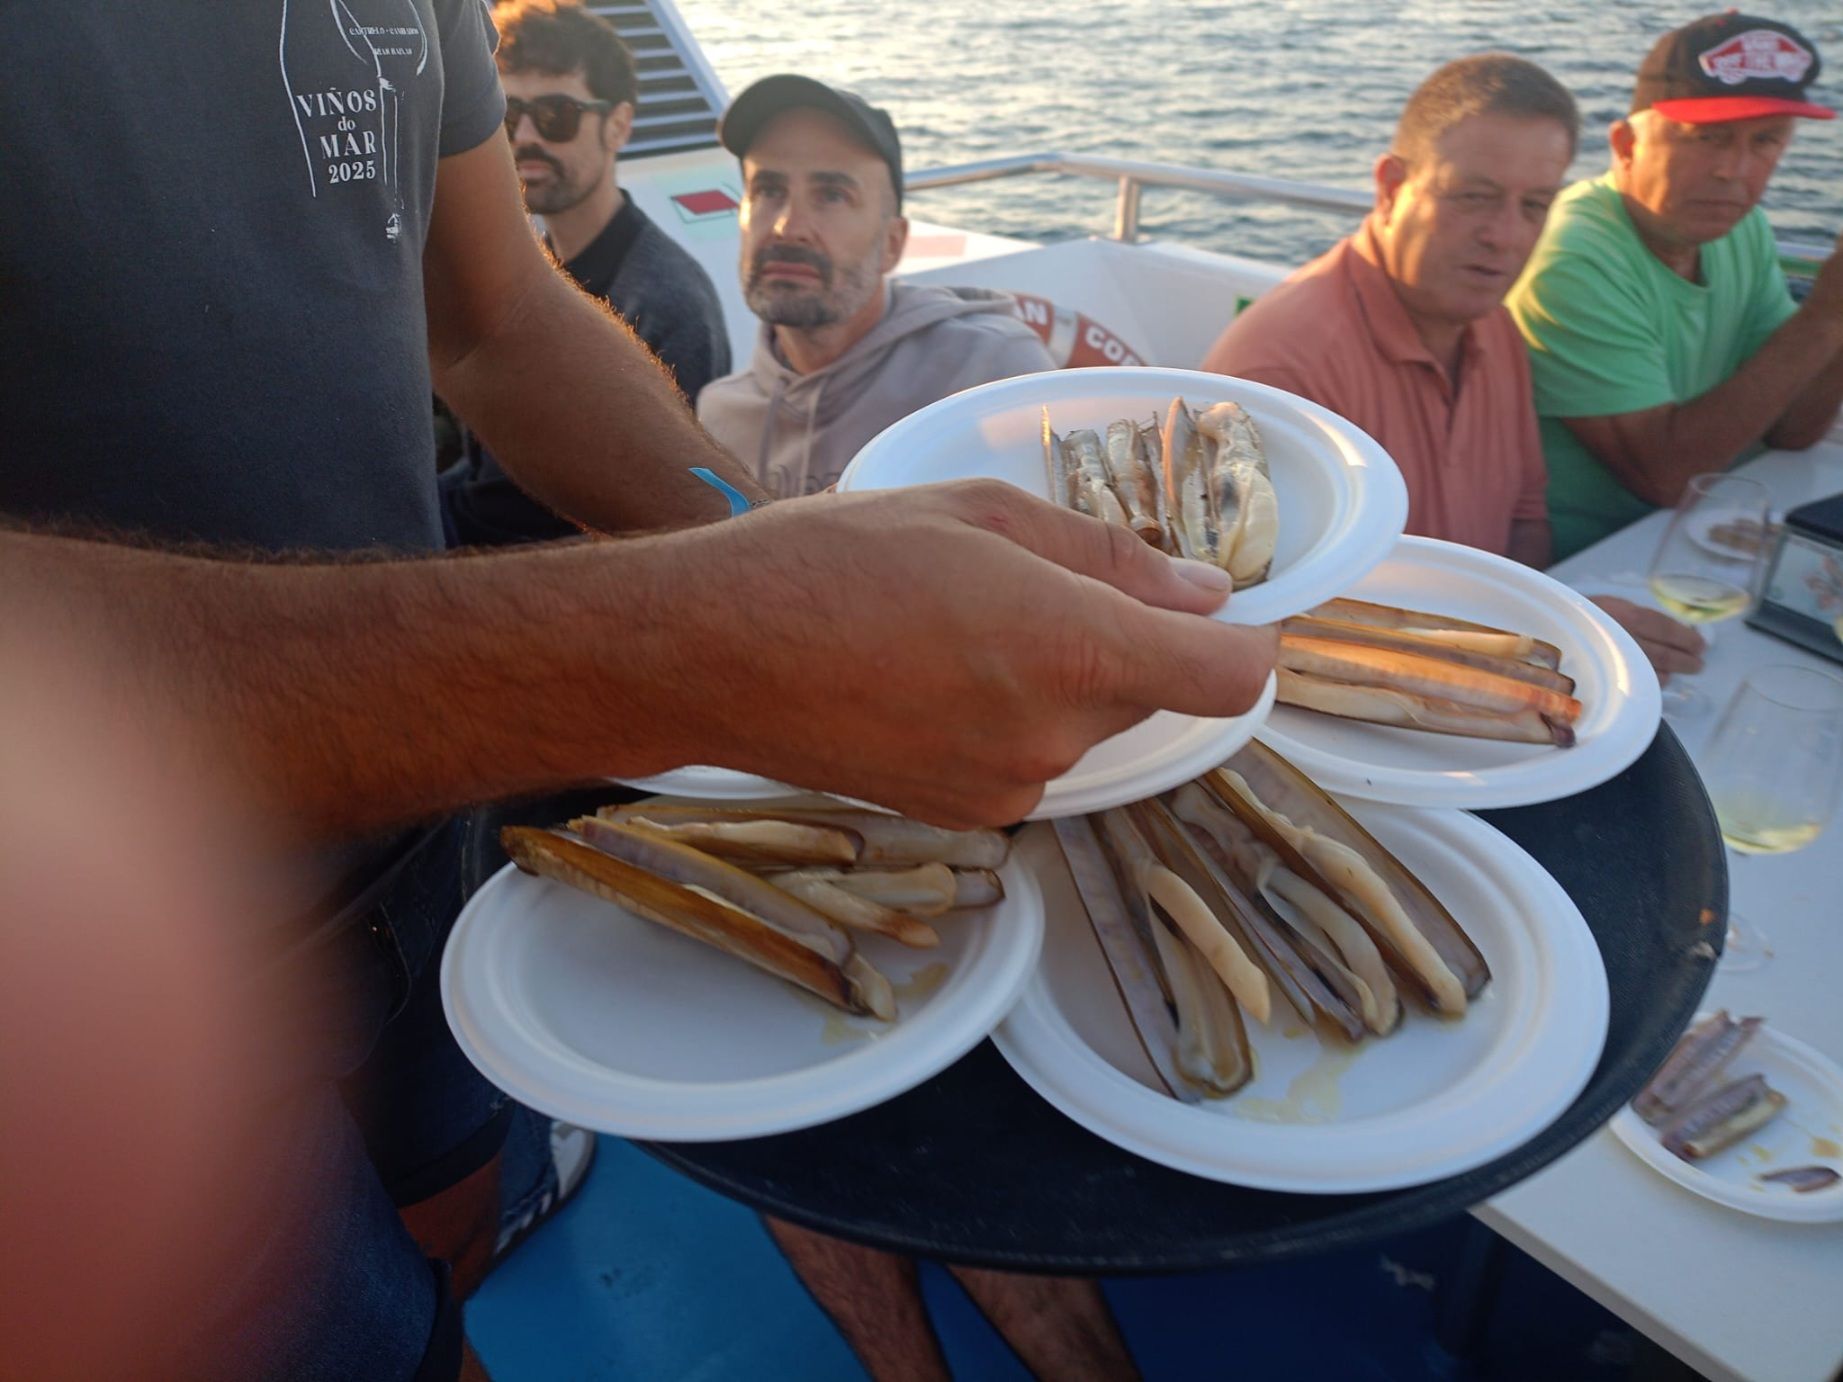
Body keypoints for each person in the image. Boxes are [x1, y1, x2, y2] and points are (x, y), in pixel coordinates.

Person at [0, 7, 1276, 1380]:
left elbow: (493, 314)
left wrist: (768, 546)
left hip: (424, 864)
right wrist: (716, 638)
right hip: (64, 997)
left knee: (453, 1253)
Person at [1203, 54, 1703, 680]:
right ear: (1390, 188)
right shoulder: (1280, 372)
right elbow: (1266, 628)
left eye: (1534, 205)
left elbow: (1524, 517)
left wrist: (1542, 636)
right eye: (1474, 197)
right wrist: (1552, 635)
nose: (1505, 236)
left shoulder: (1494, 325)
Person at [1506, 12, 1843, 560]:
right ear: (1625, 144)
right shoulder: (1574, 256)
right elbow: (1663, 475)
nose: (1733, 171)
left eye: (1766, 141)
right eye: (1706, 138)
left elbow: (1793, 430)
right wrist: (1826, 315)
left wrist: (1836, 319)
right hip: (1595, 565)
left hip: (1705, 531)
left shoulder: (1743, 228)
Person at [442, 0, 733, 546]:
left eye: (557, 115)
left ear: (618, 126)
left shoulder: (668, 300)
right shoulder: (528, 266)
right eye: (507, 114)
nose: (525, 136)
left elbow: (670, 518)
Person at [697, 75, 1057, 496]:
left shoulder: (991, 374)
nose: (787, 227)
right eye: (769, 190)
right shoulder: (719, 416)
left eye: (832, 195)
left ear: (892, 244)